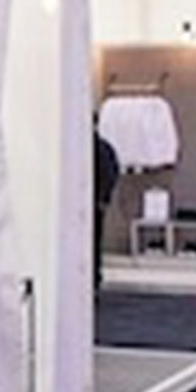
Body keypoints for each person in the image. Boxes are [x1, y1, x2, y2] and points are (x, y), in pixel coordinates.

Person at [92, 121, 121, 291]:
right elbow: (112, 171)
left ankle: (94, 276)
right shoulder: (104, 148)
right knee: (95, 242)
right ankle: (94, 277)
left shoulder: (98, 148)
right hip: (97, 203)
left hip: (95, 202)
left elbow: (110, 172)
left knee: (93, 242)